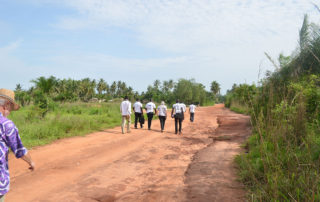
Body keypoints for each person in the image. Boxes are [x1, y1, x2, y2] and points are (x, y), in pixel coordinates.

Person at [0, 89, 35, 201]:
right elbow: (19, 150)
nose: (9, 112)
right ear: (6, 105)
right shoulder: (6, 124)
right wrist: (31, 162)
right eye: (10, 109)